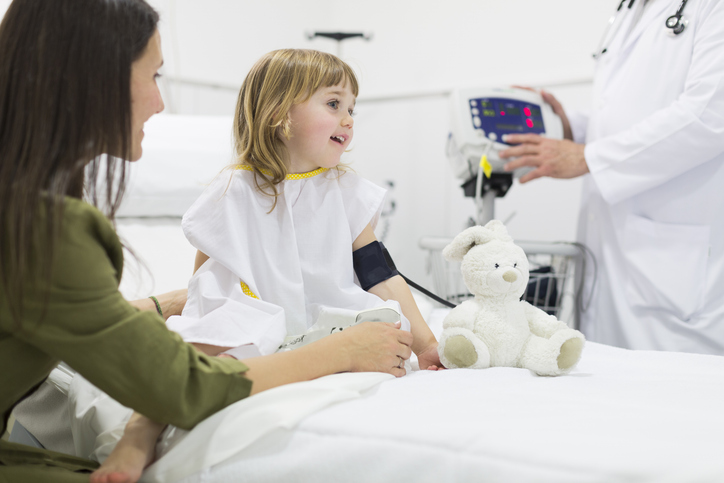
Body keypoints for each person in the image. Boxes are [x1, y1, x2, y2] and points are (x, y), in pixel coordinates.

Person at [0, 2, 414, 482]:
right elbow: (180, 383)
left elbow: (69, 315)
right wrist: (346, 350)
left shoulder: (26, 212)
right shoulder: (48, 229)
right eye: (154, 77)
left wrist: (170, 302)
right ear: (93, 80)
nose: (160, 103)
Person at [165, 48, 440, 368]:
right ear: (278, 112)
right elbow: (205, 279)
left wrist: (427, 346)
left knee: (387, 327)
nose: (348, 119)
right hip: (258, 321)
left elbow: (382, 278)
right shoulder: (235, 190)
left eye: (352, 108)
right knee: (210, 338)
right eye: (334, 104)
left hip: (333, 322)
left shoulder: (345, 192)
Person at [499, 0, 724, 354]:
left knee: (673, 394)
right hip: (613, 252)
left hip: (672, 272)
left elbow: (709, 114)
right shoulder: (630, 9)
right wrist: (572, 127)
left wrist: (589, 157)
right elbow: (628, 112)